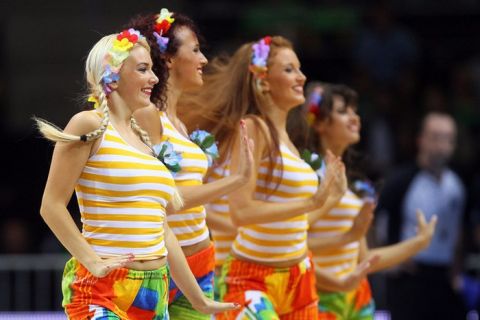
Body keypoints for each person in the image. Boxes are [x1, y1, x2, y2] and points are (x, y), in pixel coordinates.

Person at [35, 29, 236, 319]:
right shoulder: (89, 124)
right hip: (104, 291)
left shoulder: (143, 140)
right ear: (112, 75)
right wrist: (93, 262)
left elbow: (162, 228)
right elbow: (51, 205)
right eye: (143, 69)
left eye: (152, 70)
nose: (154, 79)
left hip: (155, 291)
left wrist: (198, 299)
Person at [180, 35, 347, 319]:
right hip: (254, 277)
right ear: (264, 80)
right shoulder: (255, 129)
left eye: (299, 68)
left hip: (299, 277)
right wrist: (313, 201)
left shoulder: (289, 143)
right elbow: (241, 213)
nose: (302, 77)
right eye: (289, 69)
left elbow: (292, 224)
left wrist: (331, 199)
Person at [126, 9, 253, 319]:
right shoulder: (146, 116)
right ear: (168, 59)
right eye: (195, 50)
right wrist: (236, 180)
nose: (204, 60)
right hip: (162, 266)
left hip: (200, 262)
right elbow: (162, 202)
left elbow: (188, 196)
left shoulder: (178, 123)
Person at [290, 82, 437, 319]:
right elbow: (290, 243)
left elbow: (363, 259)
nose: (354, 117)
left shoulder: (350, 184)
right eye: (343, 111)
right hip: (319, 296)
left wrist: (418, 243)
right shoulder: (307, 175)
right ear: (318, 123)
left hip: (357, 297)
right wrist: (337, 282)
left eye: (354, 111)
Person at [376, 111, 466, 320]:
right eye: (435, 137)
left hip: (445, 277)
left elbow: (459, 227)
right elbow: (372, 220)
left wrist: (457, 267)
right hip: (409, 277)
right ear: (421, 140)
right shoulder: (400, 180)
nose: (441, 144)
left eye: (447, 138)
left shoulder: (458, 185)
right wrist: (388, 260)